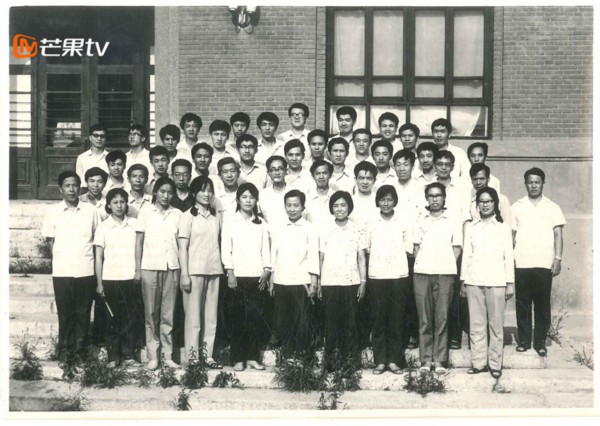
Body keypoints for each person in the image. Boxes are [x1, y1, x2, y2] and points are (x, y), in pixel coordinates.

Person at [42, 171, 98, 361]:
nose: (72, 189)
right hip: (62, 270)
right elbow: (50, 242)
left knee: (83, 312)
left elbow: (97, 239)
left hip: (86, 269)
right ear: (61, 189)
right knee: (65, 313)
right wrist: (61, 259)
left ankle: (80, 352)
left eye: (75, 185)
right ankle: (65, 352)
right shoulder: (52, 212)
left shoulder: (90, 211)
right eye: (67, 186)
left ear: (79, 188)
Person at [460, 187, 514, 379]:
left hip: (497, 281)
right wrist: (464, 280)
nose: (485, 205)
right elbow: (467, 255)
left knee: (496, 325)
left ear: (495, 204)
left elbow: (508, 256)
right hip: (474, 281)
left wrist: (509, 283)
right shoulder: (471, 227)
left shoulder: (503, 228)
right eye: (481, 201)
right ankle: (478, 363)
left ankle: (495, 364)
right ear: (477, 204)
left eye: (489, 201)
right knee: (476, 324)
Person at [512, 167, 565, 357]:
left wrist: (557, 258)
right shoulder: (517, 206)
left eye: (537, 182)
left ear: (543, 183)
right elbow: (512, 235)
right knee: (523, 304)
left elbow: (558, 235)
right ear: (525, 184)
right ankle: (524, 341)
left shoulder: (553, 207)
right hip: (522, 262)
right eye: (530, 182)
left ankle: (540, 342)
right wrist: (510, 260)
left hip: (544, 262)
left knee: (542, 304)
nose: (533, 185)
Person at [413, 182, 462, 374]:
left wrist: (445, 263)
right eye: (431, 196)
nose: (435, 199)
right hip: (422, 273)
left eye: (438, 195)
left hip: (445, 273)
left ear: (444, 198)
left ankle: (440, 360)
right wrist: (426, 263)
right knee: (424, 318)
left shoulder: (452, 220)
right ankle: (426, 360)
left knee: (442, 317)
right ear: (427, 198)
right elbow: (416, 247)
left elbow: (456, 248)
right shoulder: (420, 220)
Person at [221, 183, 271, 371]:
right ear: (238, 200)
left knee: (255, 318)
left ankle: (252, 357)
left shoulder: (261, 223)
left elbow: (265, 248)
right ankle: (238, 358)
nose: (248, 201)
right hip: (237, 277)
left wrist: (266, 270)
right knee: (238, 319)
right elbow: (226, 248)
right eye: (244, 197)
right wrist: (230, 272)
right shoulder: (230, 221)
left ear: (256, 200)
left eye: (251, 197)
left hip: (257, 277)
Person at [94, 188, 144, 368]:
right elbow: (98, 257)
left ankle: (129, 355)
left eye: (122, 202)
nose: (119, 206)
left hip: (130, 277)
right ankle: (113, 357)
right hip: (110, 278)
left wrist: (137, 272)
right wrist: (99, 283)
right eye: (115, 202)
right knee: (111, 319)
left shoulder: (134, 224)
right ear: (108, 205)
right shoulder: (103, 227)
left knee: (130, 318)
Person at [177, 176, 224, 369]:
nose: (207, 194)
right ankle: (193, 357)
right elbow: (182, 247)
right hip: (194, 272)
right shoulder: (187, 216)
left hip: (214, 270)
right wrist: (184, 274)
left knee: (210, 316)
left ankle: (208, 355)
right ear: (194, 192)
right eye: (203, 190)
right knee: (193, 317)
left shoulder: (216, 217)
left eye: (210, 190)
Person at [135, 176, 182, 370]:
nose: (165, 196)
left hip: (172, 267)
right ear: (155, 192)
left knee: (168, 314)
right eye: (162, 191)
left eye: (169, 192)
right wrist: (137, 269)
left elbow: (181, 244)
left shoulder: (178, 214)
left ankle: (167, 355)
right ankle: (153, 356)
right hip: (150, 267)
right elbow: (138, 243)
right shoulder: (145, 213)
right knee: (151, 313)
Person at [318, 191, 368, 371]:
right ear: (332, 209)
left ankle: (350, 363)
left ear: (349, 208)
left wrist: (363, 282)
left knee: (351, 323)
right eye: (336, 206)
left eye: (343, 205)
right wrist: (319, 282)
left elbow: (361, 258)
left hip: (351, 282)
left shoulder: (357, 229)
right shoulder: (325, 229)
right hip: (330, 282)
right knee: (331, 324)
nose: (339, 209)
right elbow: (321, 258)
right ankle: (331, 363)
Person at [368, 185, 412, 374]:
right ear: (377, 201)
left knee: (396, 319)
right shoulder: (371, 222)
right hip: (377, 276)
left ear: (395, 201)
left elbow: (409, 249)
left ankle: (394, 360)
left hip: (398, 276)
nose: (386, 203)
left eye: (389, 199)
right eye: (382, 199)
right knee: (378, 319)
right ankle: (379, 361)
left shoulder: (402, 222)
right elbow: (367, 249)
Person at [270, 189, 319, 359]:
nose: (292, 209)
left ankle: (302, 356)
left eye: (296, 205)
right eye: (289, 205)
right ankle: (287, 355)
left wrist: (314, 282)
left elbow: (313, 255)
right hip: (281, 280)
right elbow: (274, 253)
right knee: (283, 320)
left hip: (301, 281)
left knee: (302, 321)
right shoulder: (279, 227)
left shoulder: (310, 228)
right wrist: (272, 279)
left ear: (303, 207)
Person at [430, 118, 470, 185]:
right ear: (432, 134)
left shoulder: (459, 153)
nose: (439, 135)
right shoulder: (427, 154)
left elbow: (467, 176)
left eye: (442, 131)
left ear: (449, 134)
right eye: (436, 131)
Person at [75, 124, 109, 191]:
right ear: (90, 137)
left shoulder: (110, 158)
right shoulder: (82, 157)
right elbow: (79, 180)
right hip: (86, 191)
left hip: (106, 192)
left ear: (106, 139)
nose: (99, 139)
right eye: (96, 135)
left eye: (102, 136)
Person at [259, 155, 289, 226]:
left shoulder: (294, 192)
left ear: (286, 171)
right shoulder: (262, 194)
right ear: (268, 173)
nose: (277, 173)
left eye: (280, 169)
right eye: (272, 170)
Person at [305, 159, 335, 225]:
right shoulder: (306, 199)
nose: (321, 177)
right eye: (317, 174)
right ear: (313, 176)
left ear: (330, 175)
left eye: (324, 173)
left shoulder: (336, 197)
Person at [351, 161, 378, 228]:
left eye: (369, 178)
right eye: (361, 178)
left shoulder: (379, 201)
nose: (365, 182)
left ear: (374, 180)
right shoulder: (350, 201)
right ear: (355, 180)